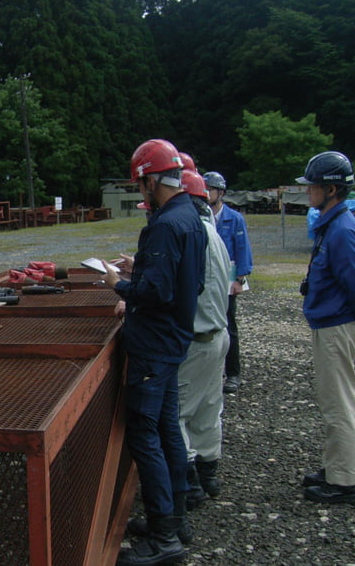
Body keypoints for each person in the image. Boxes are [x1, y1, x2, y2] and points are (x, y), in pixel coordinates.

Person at [100, 139, 206, 566]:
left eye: (140, 183)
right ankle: (174, 518)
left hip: (154, 346)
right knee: (166, 429)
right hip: (174, 340)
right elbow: (187, 284)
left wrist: (118, 284)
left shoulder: (165, 225)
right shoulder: (192, 217)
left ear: (148, 179)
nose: (140, 191)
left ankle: (164, 540)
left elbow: (155, 290)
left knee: (145, 433)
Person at [296, 151, 355, 505]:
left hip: (337, 326)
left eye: (313, 186)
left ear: (330, 189)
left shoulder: (342, 231)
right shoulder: (333, 225)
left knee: (339, 405)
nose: (308, 192)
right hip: (330, 323)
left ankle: (344, 482)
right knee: (332, 401)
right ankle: (336, 469)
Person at [176, 170, 230, 512]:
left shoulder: (191, 235)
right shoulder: (211, 232)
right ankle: (209, 474)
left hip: (197, 338)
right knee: (208, 410)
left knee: (177, 414)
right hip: (217, 335)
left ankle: (190, 483)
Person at [204, 171, 253, 394]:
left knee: (228, 325)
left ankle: (233, 373)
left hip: (228, 278)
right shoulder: (201, 216)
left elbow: (242, 249)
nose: (206, 193)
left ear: (220, 193)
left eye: (210, 190)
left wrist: (240, 279)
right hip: (207, 278)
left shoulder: (234, 218)